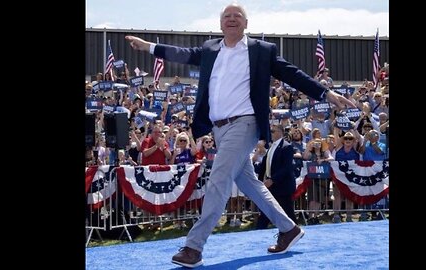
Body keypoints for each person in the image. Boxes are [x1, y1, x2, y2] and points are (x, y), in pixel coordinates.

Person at [125, 3, 354, 268]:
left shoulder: (261, 50)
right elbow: (182, 53)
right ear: (220, 24)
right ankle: (288, 229)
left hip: (245, 123)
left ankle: (193, 247)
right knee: (249, 184)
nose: (232, 19)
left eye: (237, 16)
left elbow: (293, 74)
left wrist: (326, 93)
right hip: (219, 129)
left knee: (219, 179)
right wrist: (148, 46)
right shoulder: (211, 49)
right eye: (227, 16)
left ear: (246, 23)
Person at [256, 124, 297, 229]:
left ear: (280, 132)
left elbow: (287, 168)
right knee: (267, 210)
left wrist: (272, 180)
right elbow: (264, 166)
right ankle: (260, 229)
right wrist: (259, 182)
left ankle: (294, 231)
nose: (271, 134)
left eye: (273, 131)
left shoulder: (286, 147)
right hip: (272, 186)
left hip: (283, 186)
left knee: (288, 213)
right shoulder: (271, 147)